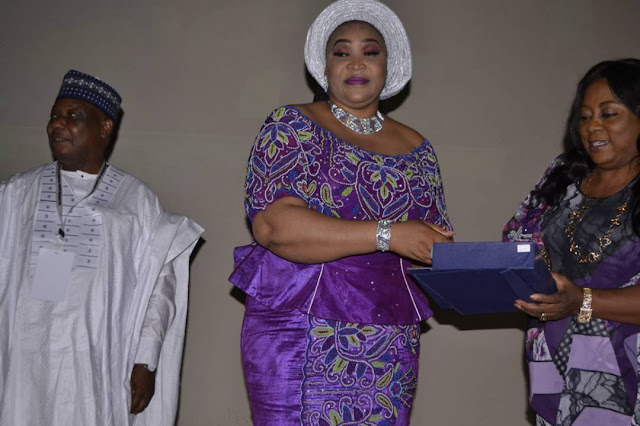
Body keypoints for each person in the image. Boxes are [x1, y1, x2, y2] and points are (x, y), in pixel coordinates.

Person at [229, 0, 453, 424]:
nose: (356, 62)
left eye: (370, 51)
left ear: (389, 65)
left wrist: (493, 277)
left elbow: (435, 246)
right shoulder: (292, 125)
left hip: (390, 339)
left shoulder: (419, 149)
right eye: (341, 51)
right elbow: (274, 226)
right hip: (299, 326)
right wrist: (388, 234)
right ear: (324, 66)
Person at [0, 70, 203, 425]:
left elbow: (160, 289)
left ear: (105, 128)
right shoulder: (17, 193)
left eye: (72, 116)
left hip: (96, 361)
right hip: (22, 363)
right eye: (54, 115)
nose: (57, 124)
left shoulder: (136, 202)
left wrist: (146, 359)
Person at [504, 58, 640, 425]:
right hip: (556, 367)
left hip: (628, 378)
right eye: (584, 116)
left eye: (609, 114)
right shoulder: (563, 175)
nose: (593, 126)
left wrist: (581, 301)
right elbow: (516, 244)